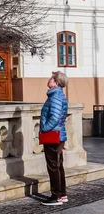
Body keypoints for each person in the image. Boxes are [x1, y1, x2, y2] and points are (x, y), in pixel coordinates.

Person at [40, 71, 68, 206]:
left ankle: (56, 196)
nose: (49, 79)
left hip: (53, 135)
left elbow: (55, 117)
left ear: (56, 82)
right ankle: (62, 194)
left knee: (53, 166)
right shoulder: (58, 95)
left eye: (51, 78)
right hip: (58, 135)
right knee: (58, 165)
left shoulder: (55, 96)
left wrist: (45, 128)